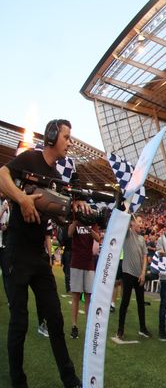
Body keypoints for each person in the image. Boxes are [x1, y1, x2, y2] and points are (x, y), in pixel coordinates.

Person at [0, 119, 83, 388]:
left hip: (38, 256)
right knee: (20, 322)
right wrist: (22, 198)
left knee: (56, 320)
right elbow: (1, 174)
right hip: (16, 253)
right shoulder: (30, 158)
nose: (70, 142)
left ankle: (69, 379)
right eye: (67, 137)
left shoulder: (57, 178)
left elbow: (60, 226)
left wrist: (76, 217)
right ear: (51, 137)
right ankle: (18, 382)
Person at [116, 214, 151, 340]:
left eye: (142, 221)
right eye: (139, 221)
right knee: (125, 302)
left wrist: (143, 273)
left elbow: (145, 257)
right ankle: (120, 329)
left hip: (139, 275)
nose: (141, 224)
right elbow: (124, 226)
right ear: (132, 223)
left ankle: (142, 328)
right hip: (128, 273)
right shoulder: (127, 234)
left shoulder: (142, 239)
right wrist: (129, 214)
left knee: (141, 303)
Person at [67, 218, 99, 339]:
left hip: (89, 263)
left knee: (88, 296)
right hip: (76, 262)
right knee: (75, 295)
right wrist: (76, 221)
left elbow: (98, 238)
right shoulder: (76, 220)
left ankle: (88, 326)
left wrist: (89, 228)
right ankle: (74, 326)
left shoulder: (92, 221)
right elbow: (69, 233)